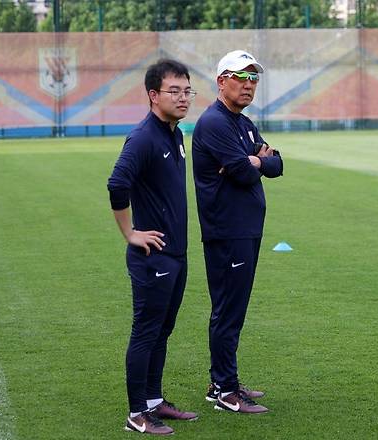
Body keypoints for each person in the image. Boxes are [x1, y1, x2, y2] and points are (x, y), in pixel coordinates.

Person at [107, 59, 198, 435]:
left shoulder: (174, 134)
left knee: (163, 330)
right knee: (146, 331)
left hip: (176, 254)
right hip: (152, 256)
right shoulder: (143, 137)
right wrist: (130, 233)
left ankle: (154, 400)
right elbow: (117, 184)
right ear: (153, 95)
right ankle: (135, 414)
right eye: (173, 91)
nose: (182, 98)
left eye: (186, 90)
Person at [192, 50, 284, 414]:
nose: (249, 85)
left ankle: (224, 380)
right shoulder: (214, 123)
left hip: (245, 228)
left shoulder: (243, 123)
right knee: (228, 309)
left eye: (254, 79)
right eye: (241, 77)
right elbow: (245, 172)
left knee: (235, 308)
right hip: (227, 231)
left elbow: (276, 164)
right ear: (221, 81)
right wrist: (253, 162)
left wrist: (256, 159)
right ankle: (224, 390)